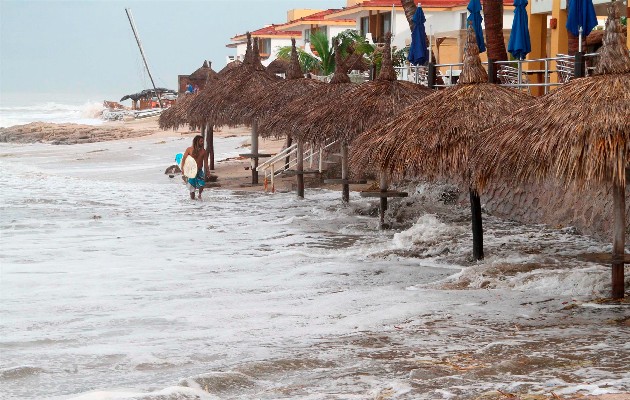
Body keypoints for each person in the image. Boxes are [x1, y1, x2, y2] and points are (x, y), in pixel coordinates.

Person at [181, 135, 209, 200]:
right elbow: (184, 159)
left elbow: (206, 163)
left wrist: (207, 171)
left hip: (199, 170)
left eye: (203, 141)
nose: (202, 142)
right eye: (201, 141)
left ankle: (199, 195)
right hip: (191, 172)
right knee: (192, 188)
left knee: (202, 184)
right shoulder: (189, 149)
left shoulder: (203, 151)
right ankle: (192, 201)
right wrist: (183, 168)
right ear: (197, 141)